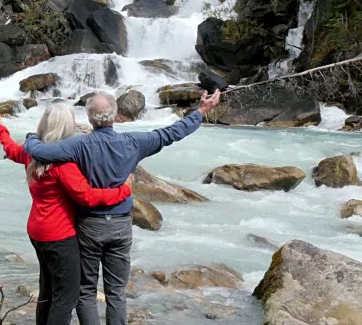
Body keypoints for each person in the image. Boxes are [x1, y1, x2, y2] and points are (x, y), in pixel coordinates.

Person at [23, 90, 222, 325]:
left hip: (90, 225)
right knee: (116, 291)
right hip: (120, 225)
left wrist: (30, 137)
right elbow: (172, 133)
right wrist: (200, 111)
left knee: (86, 290)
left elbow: (40, 151)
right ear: (116, 115)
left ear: (89, 118)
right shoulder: (134, 142)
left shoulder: (78, 145)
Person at [0, 103, 134, 325]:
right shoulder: (62, 163)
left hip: (37, 230)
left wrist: (1, 127)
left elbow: (10, 149)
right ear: (67, 127)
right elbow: (87, 196)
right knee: (66, 298)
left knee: (47, 291)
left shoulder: (31, 153)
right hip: (59, 235)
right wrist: (124, 190)